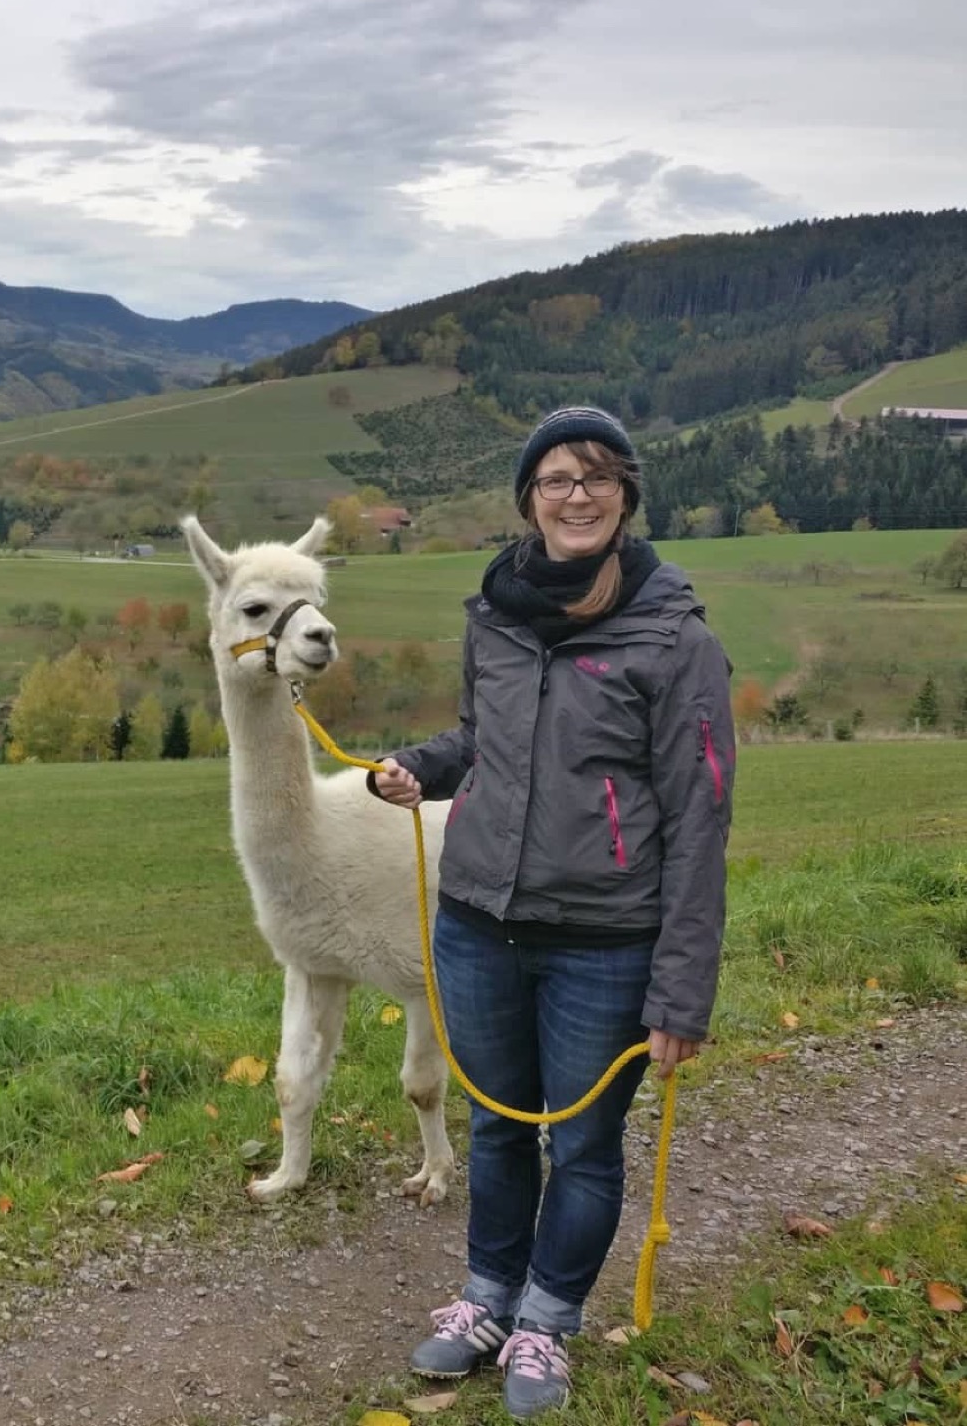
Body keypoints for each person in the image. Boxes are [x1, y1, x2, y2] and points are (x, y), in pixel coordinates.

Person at [370, 405, 735, 1419]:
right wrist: (422, 766)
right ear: (528, 500)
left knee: (578, 1145)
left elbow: (699, 822)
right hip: (476, 923)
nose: (577, 496)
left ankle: (547, 1319)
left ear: (625, 496)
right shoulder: (493, 614)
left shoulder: (673, 638)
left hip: (604, 945)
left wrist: (681, 992)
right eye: (556, 479)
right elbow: (480, 739)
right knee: (495, 1127)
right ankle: (487, 1299)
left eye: (597, 477)